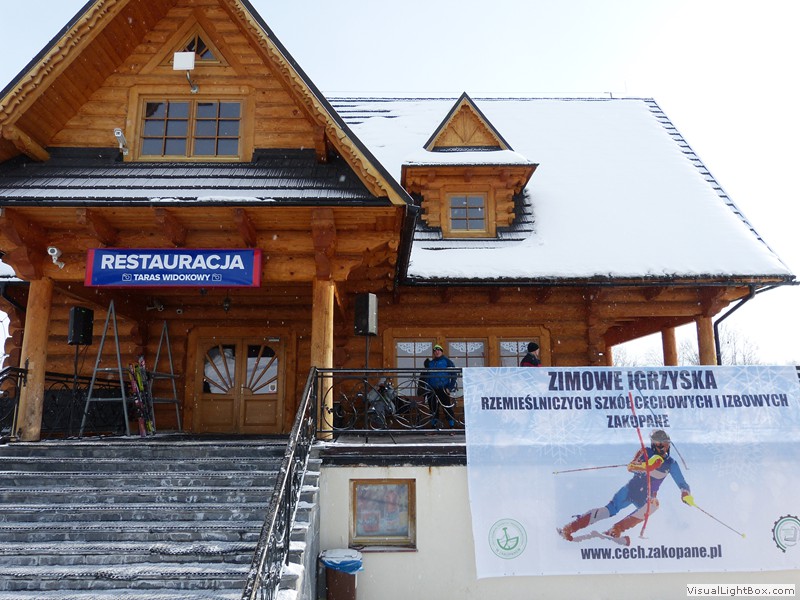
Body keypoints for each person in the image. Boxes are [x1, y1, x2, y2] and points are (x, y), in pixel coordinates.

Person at [558, 429, 694, 543]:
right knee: (609, 510)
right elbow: (631, 466)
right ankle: (571, 527)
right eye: (660, 445)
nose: (663, 448)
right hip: (631, 489)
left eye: (666, 444)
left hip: (647, 496)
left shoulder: (671, 463)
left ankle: (617, 528)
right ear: (653, 444)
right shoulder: (646, 452)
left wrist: (685, 493)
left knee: (653, 505)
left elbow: (682, 483)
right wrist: (646, 466)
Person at [425, 344, 457, 428]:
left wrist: (450, 388)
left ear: (442, 351)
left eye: (439, 350)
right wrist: (427, 389)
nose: (437, 352)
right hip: (432, 389)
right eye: (435, 351)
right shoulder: (431, 363)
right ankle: (434, 428)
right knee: (433, 409)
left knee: (447, 408)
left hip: (443, 388)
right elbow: (427, 376)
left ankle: (452, 427)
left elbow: (454, 375)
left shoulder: (447, 361)